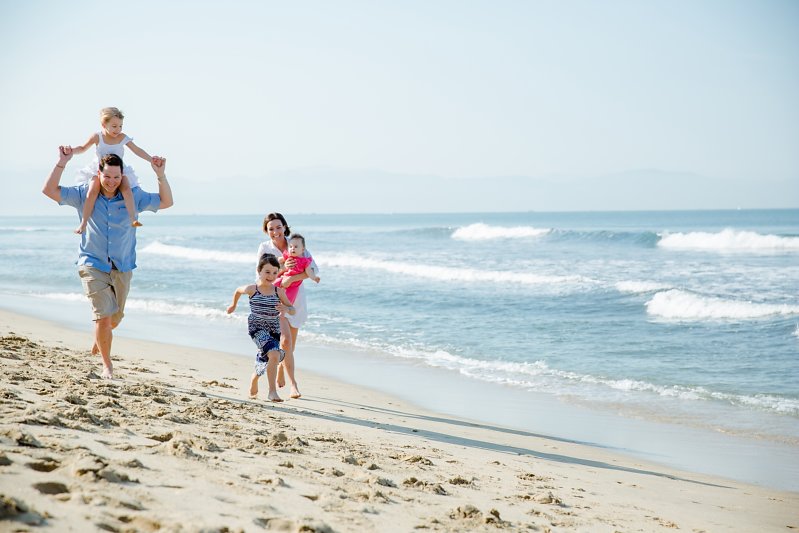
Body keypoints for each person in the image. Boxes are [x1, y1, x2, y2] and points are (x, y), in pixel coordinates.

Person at [42, 147, 174, 379]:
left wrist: (160, 174)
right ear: (98, 174)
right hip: (92, 263)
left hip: (122, 265)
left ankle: (100, 340)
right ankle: (107, 366)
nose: (111, 181)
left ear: (122, 176)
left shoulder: (133, 196)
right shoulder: (85, 194)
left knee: (115, 318)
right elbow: (49, 190)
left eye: (116, 177)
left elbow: (166, 202)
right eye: (107, 176)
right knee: (103, 317)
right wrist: (62, 163)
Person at [256, 213, 318, 399]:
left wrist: (293, 277)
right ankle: (294, 385)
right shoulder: (264, 248)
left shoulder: (296, 243)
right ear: (266, 231)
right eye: (271, 228)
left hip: (296, 299)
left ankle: (283, 368)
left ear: (284, 226)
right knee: (285, 341)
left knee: (291, 344)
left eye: (278, 227)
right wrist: (282, 268)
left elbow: (312, 270)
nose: (275, 232)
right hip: (275, 300)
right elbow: (260, 276)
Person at [68, 107, 159, 234]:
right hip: (99, 170)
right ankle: (83, 223)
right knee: (92, 191)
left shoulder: (122, 137)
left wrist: (151, 159)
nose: (118, 129)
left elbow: (137, 150)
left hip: (118, 171)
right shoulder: (97, 136)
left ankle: (133, 219)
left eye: (120, 126)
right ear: (104, 124)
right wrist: (71, 150)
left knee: (127, 189)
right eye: (114, 126)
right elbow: (82, 148)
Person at [227, 253, 295, 402]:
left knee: (267, 358)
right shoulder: (252, 289)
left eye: (275, 272)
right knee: (274, 354)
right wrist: (233, 305)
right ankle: (272, 392)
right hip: (257, 328)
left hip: (273, 329)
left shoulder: (279, 291)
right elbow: (238, 290)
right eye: (267, 272)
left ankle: (254, 378)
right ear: (259, 271)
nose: (271, 276)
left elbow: (292, 309)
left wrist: (286, 308)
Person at [274, 233, 320, 304]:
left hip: (294, 285)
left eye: (296, 247)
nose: (292, 249)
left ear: (302, 249)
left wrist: (314, 278)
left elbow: (309, 271)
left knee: (289, 301)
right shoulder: (288, 256)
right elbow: (279, 260)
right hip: (284, 278)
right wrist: (276, 260)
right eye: (290, 246)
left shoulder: (305, 261)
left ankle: (283, 311)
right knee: (273, 285)